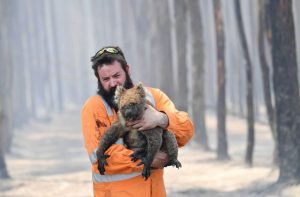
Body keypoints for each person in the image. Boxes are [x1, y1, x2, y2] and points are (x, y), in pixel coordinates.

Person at [81, 46, 194, 197]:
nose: (113, 83)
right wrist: (148, 159)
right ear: (98, 79)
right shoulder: (93, 107)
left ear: (127, 70)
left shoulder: (153, 96)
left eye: (116, 75)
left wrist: (162, 119)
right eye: (106, 79)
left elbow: (186, 130)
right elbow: (97, 155)